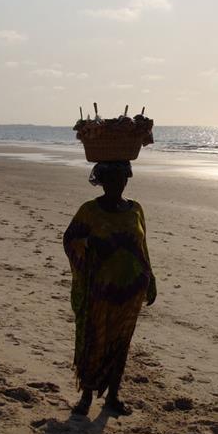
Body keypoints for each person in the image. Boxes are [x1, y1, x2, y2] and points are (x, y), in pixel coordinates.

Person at [63, 160, 157, 416]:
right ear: (102, 181)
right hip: (100, 291)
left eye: (121, 179)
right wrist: (92, 245)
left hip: (131, 292)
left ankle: (113, 396)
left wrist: (151, 278)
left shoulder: (135, 209)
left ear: (127, 179)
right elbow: (70, 239)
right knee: (95, 341)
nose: (117, 184)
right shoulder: (90, 211)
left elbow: (142, 246)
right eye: (112, 180)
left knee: (120, 343)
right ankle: (86, 396)